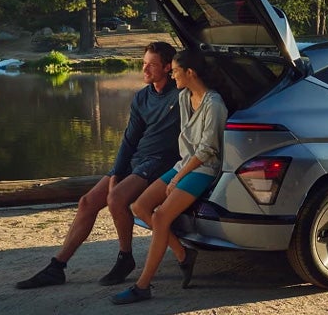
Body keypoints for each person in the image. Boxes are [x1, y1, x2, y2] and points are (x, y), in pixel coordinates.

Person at [15, 42, 181, 289]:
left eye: (151, 65)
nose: (144, 69)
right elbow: (129, 139)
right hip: (138, 159)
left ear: (168, 67)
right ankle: (57, 267)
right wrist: (116, 172)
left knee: (116, 199)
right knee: (87, 202)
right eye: (144, 63)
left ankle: (125, 257)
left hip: (160, 162)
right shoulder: (142, 97)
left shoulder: (181, 95)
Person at [110, 50, 227, 305]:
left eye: (175, 71)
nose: (172, 76)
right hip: (183, 164)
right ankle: (183, 254)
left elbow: (208, 151)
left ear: (190, 73)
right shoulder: (184, 97)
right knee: (140, 206)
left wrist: (177, 178)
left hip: (203, 168)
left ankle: (143, 286)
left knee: (161, 216)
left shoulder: (214, 105)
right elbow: (184, 141)